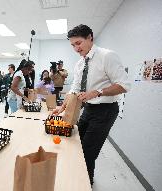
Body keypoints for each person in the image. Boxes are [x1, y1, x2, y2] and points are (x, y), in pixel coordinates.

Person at [52, 24, 130, 186]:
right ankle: (83, 178)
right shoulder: (80, 64)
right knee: (77, 144)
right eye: (72, 45)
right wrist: (62, 107)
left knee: (88, 152)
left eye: (78, 43)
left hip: (105, 110)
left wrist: (97, 92)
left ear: (90, 37)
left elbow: (124, 85)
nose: (75, 48)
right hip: (88, 108)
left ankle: (85, 184)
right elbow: (74, 90)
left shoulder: (107, 56)